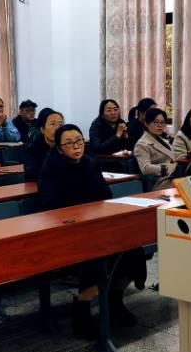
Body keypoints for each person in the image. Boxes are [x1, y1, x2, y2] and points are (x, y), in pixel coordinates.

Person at [37, 124, 144, 338]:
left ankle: (115, 298)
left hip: (94, 224)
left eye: (79, 141)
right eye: (69, 143)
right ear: (59, 148)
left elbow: (105, 195)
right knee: (94, 254)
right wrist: (84, 207)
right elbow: (51, 204)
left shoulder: (91, 163)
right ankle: (82, 307)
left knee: (132, 248)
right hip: (66, 229)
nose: (76, 146)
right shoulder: (51, 168)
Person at [134, 108, 178, 189]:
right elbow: (145, 168)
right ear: (146, 124)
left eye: (162, 122)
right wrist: (168, 168)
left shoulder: (164, 140)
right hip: (161, 181)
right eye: (155, 122)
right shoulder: (142, 144)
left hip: (174, 176)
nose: (160, 125)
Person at [23, 109, 64, 181]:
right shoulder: (33, 149)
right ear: (42, 129)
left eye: (60, 125)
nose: (57, 128)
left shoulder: (65, 146)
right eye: (53, 124)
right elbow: (31, 173)